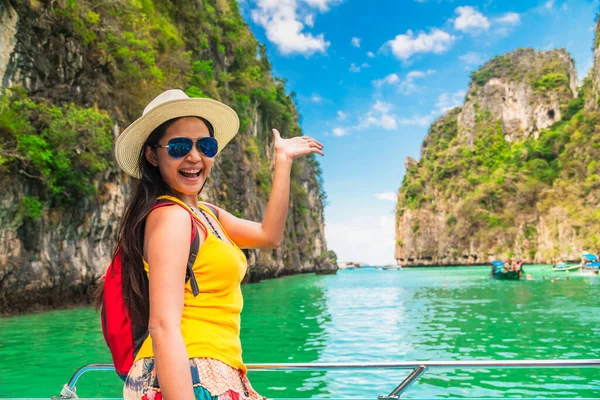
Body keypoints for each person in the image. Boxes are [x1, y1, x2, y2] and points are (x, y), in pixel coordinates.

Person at [103, 89, 323, 400]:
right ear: (153, 155)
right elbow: (163, 326)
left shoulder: (206, 214)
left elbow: (268, 235)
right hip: (189, 372)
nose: (194, 157)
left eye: (205, 145)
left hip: (215, 368)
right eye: (179, 146)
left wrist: (282, 160)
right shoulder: (171, 218)